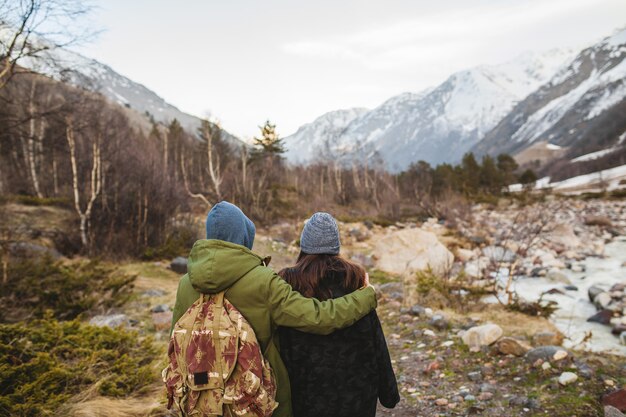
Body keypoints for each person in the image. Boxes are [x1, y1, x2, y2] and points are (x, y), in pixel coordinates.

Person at [170, 202, 378, 417]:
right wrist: (366, 295)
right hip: (255, 400)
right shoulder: (263, 281)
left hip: (200, 398)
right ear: (243, 236)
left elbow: (175, 344)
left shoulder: (186, 283)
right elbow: (319, 317)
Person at [278, 212, 399, 417]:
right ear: (336, 247)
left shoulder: (288, 288)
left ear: (304, 246)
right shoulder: (356, 284)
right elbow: (376, 341)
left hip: (304, 399)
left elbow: (279, 346)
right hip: (356, 398)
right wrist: (389, 394)